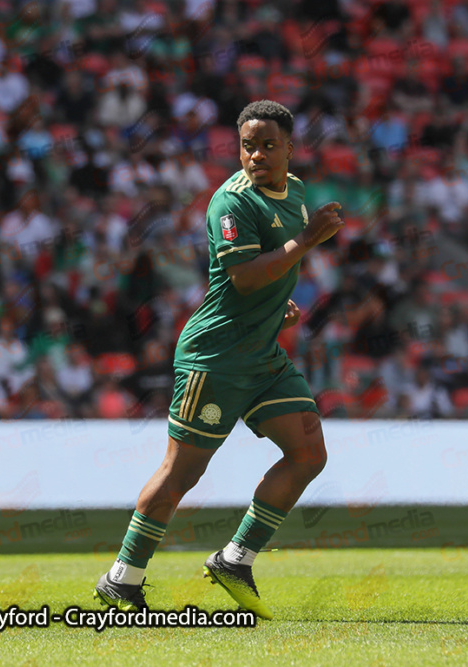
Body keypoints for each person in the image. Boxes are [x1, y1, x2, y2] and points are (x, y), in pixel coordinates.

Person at [93, 100, 344, 618]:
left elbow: (268, 278)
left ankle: (235, 558)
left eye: (269, 145)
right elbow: (246, 276)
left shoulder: (294, 190)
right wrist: (307, 239)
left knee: (309, 453)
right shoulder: (231, 203)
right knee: (182, 474)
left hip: (262, 353)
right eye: (248, 145)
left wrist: (278, 307)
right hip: (217, 357)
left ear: (290, 148)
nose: (257, 155)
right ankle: (123, 578)